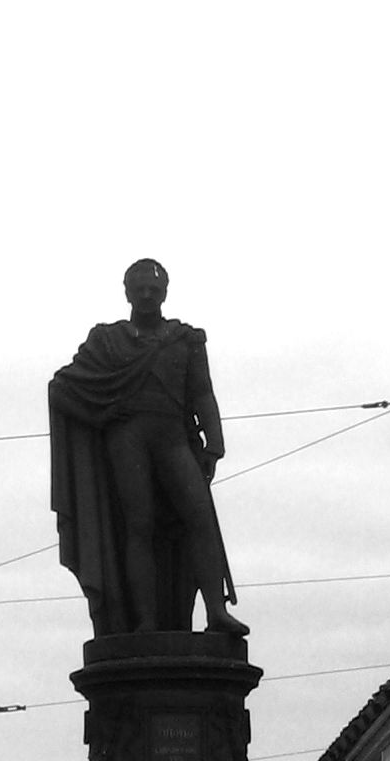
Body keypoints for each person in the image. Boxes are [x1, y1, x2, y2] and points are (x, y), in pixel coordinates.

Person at [48, 260, 245, 638]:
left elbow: (202, 393)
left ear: (165, 293)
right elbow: (61, 389)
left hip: (173, 437)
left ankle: (216, 612)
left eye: (154, 289)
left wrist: (215, 445)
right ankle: (145, 622)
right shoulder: (108, 341)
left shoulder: (185, 340)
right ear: (126, 292)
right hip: (128, 439)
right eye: (139, 288)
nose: (147, 295)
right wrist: (103, 412)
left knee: (199, 518)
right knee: (139, 526)